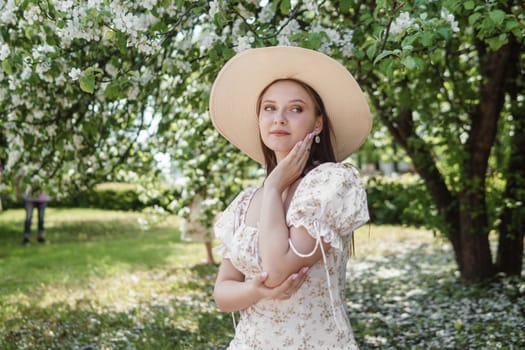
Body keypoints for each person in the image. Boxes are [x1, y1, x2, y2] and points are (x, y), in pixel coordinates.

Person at [210, 46, 372, 349]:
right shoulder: (245, 202)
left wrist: (273, 188)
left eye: (295, 109)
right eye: (269, 108)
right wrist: (258, 292)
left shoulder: (330, 185)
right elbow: (222, 292)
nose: (279, 119)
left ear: (318, 122)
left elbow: (278, 268)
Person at [15, 168, 49, 245]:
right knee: (28, 218)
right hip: (29, 198)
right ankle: (26, 238)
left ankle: (40, 237)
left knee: (41, 218)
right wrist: (18, 192)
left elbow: (49, 177)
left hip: (42, 197)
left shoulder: (46, 165)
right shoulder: (27, 167)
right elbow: (17, 180)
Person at [180, 194, 217, 265]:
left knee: (206, 232)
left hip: (200, 208)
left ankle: (210, 258)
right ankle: (210, 257)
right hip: (202, 207)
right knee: (206, 233)